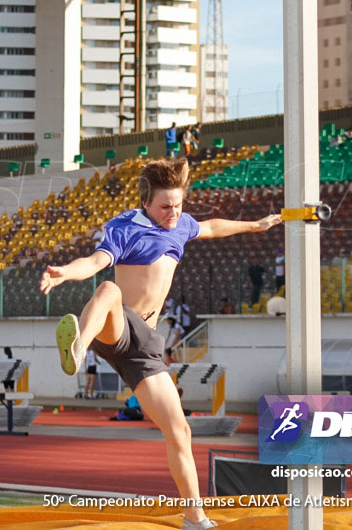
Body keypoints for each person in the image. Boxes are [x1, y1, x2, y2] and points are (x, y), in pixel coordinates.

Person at [41, 157, 282, 530]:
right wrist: (63, 275)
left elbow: (212, 227)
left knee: (179, 431)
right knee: (107, 288)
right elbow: (93, 262)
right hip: (117, 326)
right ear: (145, 202)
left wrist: (256, 225)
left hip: (146, 346)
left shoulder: (180, 223)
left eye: (178, 205)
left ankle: (195, 517)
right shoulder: (124, 227)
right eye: (165, 206)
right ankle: (77, 347)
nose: (173, 213)